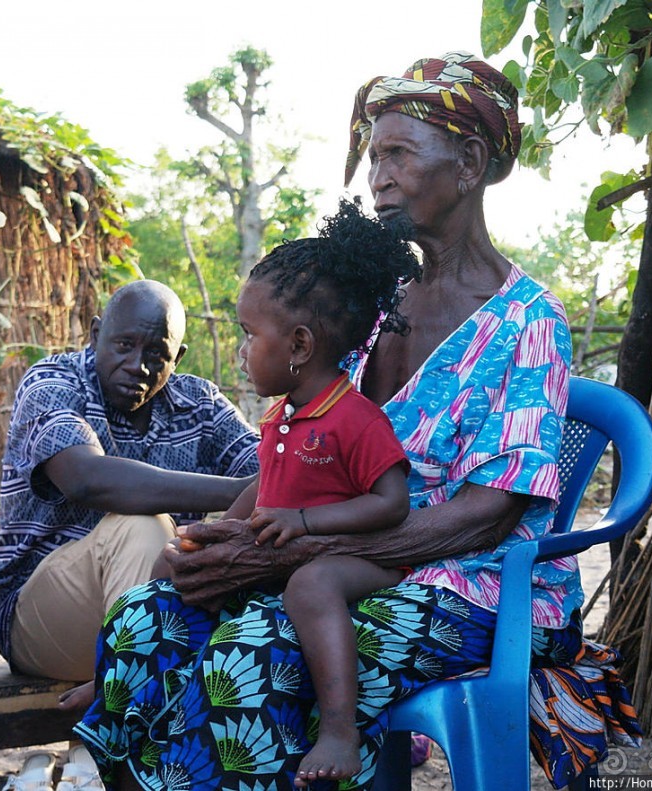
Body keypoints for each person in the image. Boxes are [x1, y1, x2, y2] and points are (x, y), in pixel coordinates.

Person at [74, 52, 641, 791]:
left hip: (471, 585)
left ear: (469, 161)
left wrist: (289, 555)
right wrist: (239, 538)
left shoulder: (527, 322)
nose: (378, 175)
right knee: (152, 615)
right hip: (338, 568)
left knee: (254, 652)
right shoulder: (375, 304)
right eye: (375, 156)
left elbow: (486, 515)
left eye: (398, 154)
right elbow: (309, 441)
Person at [196, 198, 417, 787]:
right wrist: (215, 531)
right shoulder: (283, 416)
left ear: (298, 345)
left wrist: (307, 522)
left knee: (310, 583)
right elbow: (262, 490)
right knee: (182, 568)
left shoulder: (357, 419)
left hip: (363, 561)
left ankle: (340, 730)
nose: (242, 350)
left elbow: (392, 504)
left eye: (248, 335)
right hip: (305, 552)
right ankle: (124, 678)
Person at [0, 279, 260, 683]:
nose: (137, 365)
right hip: (40, 619)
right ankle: (123, 717)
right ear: (95, 335)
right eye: (124, 345)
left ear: (177, 357)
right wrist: (240, 490)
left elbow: (272, 466)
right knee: (142, 525)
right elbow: (86, 479)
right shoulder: (54, 383)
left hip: (162, 616)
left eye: (156, 354)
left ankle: (119, 703)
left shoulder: (200, 404)